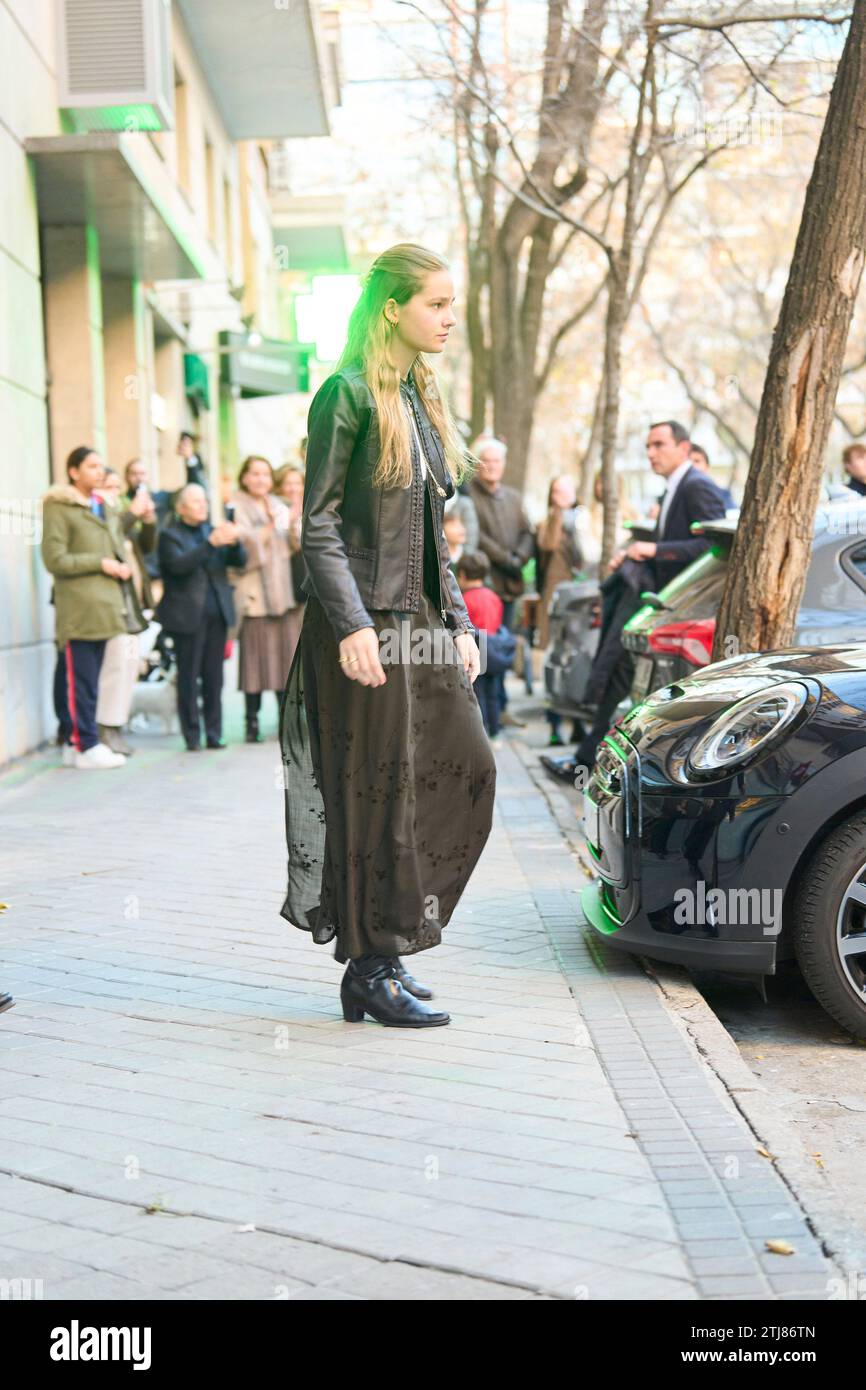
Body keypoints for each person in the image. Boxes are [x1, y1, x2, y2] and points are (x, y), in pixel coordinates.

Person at [280, 242, 496, 1029]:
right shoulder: (345, 396)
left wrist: (463, 623)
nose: (447, 319)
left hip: (426, 627)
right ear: (393, 308)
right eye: (436, 304)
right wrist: (353, 626)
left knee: (464, 767)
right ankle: (372, 966)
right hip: (368, 630)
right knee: (376, 796)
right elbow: (320, 526)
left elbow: (434, 532)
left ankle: (391, 939)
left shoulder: (418, 397)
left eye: (450, 305)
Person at [542, 420, 728, 781]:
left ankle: (591, 766)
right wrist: (634, 552)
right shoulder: (674, 488)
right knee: (617, 686)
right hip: (658, 612)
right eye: (648, 446)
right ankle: (585, 764)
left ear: (684, 447)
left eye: (659, 444)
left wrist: (652, 549)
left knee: (631, 693)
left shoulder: (697, 485)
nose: (650, 453)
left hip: (680, 614)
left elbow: (712, 546)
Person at [42, 447, 147, 769]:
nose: (99, 472)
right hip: (79, 610)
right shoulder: (59, 507)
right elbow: (54, 559)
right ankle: (85, 744)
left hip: (107, 608)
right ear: (73, 471)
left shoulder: (101, 506)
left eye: (101, 466)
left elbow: (117, 544)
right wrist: (101, 563)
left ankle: (80, 744)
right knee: (80, 680)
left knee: (93, 680)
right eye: (91, 466)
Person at [156, 484, 246, 751]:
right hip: (186, 617)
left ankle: (215, 733)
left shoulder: (212, 530)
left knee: (214, 678)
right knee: (188, 676)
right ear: (181, 508)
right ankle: (192, 735)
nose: (202, 505)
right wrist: (210, 544)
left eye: (204, 501)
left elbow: (239, 561)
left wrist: (236, 541)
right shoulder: (169, 536)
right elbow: (179, 566)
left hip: (216, 613)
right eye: (195, 502)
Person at [230, 456, 303, 743]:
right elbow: (239, 549)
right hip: (255, 597)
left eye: (265, 474)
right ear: (245, 478)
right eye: (255, 474)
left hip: (282, 593)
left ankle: (286, 721)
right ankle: (251, 722)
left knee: (284, 661)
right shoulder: (236, 506)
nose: (261, 479)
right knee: (254, 662)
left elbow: (293, 545)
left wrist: (294, 521)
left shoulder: (277, 505)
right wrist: (268, 529)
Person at [469, 435, 535, 728]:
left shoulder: (513, 497)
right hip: (486, 588)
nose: (492, 466)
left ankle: (502, 705)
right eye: (487, 461)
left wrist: (519, 558)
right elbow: (478, 537)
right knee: (485, 651)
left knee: (504, 647)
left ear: (503, 465)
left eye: (497, 461)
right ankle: (485, 712)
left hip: (511, 587)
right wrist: (504, 559)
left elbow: (527, 533)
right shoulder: (471, 496)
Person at [94, 467, 154, 755]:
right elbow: (111, 535)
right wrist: (131, 514)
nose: (115, 492)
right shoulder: (103, 518)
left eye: (118, 487)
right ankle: (105, 729)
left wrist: (149, 520)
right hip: (111, 610)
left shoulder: (120, 517)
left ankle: (116, 726)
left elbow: (148, 545)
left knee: (129, 667)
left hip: (133, 608)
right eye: (110, 486)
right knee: (114, 668)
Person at [536, 475, 585, 746]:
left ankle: (578, 723)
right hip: (555, 600)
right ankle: (555, 726)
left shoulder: (583, 522)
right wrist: (558, 518)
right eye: (555, 491)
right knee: (554, 663)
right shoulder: (547, 525)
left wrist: (574, 523)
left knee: (577, 662)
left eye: (565, 491)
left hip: (581, 600)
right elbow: (545, 550)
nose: (560, 496)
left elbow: (585, 557)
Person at [456, 549, 505, 744]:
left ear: (462, 575)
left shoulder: (464, 599)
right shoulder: (493, 597)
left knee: (478, 694)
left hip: (476, 649)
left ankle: (480, 734)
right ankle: (495, 733)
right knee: (493, 694)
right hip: (494, 649)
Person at [689, 443, 735, 508]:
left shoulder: (723, 495)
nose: (692, 465)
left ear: (707, 467)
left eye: (697, 461)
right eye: (688, 461)